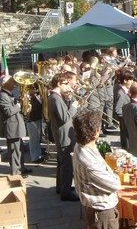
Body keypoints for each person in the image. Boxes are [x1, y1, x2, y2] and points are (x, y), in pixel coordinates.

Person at [73, 109, 121, 229]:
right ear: (96, 132)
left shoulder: (81, 145)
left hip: (98, 212)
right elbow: (115, 184)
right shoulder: (88, 161)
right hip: (102, 215)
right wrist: (114, 174)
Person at [48, 73, 79, 201]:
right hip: (63, 135)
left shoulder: (55, 97)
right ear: (59, 84)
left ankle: (61, 186)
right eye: (65, 84)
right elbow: (64, 118)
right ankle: (65, 191)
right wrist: (73, 107)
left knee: (61, 162)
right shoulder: (55, 98)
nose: (67, 86)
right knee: (67, 163)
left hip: (61, 134)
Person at [0, 75, 32, 177]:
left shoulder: (9, 94)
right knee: (14, 152)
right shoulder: (3, 95)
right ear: (4, 83)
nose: (14, 83)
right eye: (11, 81)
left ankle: (21, 168)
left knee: (19, 150)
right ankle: (15, 173)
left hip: (16, 126)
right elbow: (8, 111)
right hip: (12, 127)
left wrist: (24, 103)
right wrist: (18, 105)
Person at [113, 69, 134, 151]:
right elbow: (117, 110)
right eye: (130, 80)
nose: (132, 82)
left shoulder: (126, 91)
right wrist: (127, 117)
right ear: (125, 81)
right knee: (127, 145)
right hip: (125, 122)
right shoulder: (120, 93)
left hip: (128, 122)